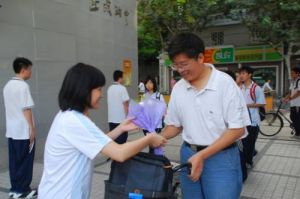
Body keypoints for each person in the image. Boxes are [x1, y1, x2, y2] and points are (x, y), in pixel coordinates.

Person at [38, 63, 166, 199]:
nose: (101, 95)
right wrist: (149, 138)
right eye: (98, 89)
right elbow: (119, 153)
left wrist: (121, 128)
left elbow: (98, 142)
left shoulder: (68, 116)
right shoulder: (74, 121)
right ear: (84, 90)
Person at [162, 32, 250, 199]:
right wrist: (155, 138)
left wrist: (202, 155)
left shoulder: (225, 84)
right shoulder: (179, 88)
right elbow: (175, 125)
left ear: (200, 58)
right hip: (189, 154)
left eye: (183, 64)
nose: (180, 70)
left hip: (221, 158)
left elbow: (237, 129)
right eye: (175, 66)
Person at [3, 57, 37, 198]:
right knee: (25, 161)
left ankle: (15, 189)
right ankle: (23, 191)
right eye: (30, 69)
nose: (31, 72)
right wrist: (32, 129)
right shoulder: (23, 86)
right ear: (24, 70)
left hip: (12, 131)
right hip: (23, 131)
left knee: (15, 161)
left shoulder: (7, 85)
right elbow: (26, 109)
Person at [239, 66, 266, 169]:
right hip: (241, 121)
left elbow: (261, 103)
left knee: (250, 143)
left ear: (250, 74)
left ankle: (248, 161)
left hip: (253, 120)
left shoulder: (256, 88)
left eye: (243, 73)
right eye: (240, 73)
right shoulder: (240, 87)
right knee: (243, 143)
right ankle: (245, 158)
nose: (241, 75)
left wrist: (247, 105)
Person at [107, 70, 130, 144]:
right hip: (121, 120)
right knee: (122, 140)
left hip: (111, 119)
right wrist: (128, 117)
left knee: (114, 140)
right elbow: (126, 104)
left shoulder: (109, 88)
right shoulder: (122, 88)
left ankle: (114, 155)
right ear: (120, 78)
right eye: (123, 77)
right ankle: (120, 155)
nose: (124, 79)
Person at [283, 67, 300, 138]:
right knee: (293, 117)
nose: (291, 74)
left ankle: (298, 134)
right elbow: (290, 92)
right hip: (293, 104)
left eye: (293, 73)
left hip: (298, 104)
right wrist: (285, 98)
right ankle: (297, 132)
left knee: (296, 118)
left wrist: (290, 98)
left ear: (298, 73)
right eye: (291, 73)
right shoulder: (293, 81)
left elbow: (299, 92)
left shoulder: (299, 81)